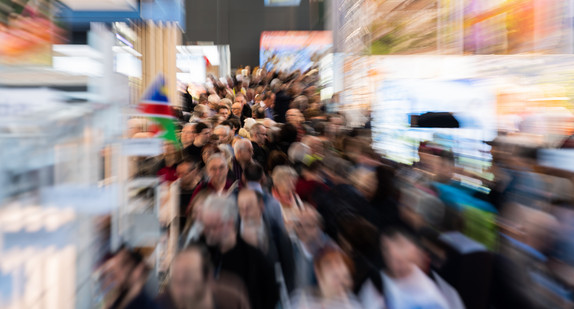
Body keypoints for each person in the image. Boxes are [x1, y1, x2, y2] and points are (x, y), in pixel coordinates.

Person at [199, 195, 279, 309]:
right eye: (205, 226)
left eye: (213, 227)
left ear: (230, 223)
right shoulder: (201, 251)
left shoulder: (253, 259)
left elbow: (270, 296)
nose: (208, 232)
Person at [157, 244, 250, 309]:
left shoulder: (232, 299)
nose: (180, 288)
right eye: (175, 280)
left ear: (209, 279)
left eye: (187, 278)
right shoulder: (162, 304)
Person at [237, 189, 295, 292]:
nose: (245, 212)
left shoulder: (278, 234)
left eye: (249, 207)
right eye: (241, 208)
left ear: (261, 205)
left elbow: (288, 272)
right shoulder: (232, 233)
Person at [290, 246, 362, 309]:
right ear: (319, 274)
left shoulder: (353, 305)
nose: (340, 285)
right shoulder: (299, 300)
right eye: (335, 276)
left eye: (345, 277)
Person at [271, 166, 304, 232]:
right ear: (277, 183)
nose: (292, 185)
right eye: (288, 182)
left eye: (294, 182)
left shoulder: (295, 197)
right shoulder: (271, 200)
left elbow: (303, 216)